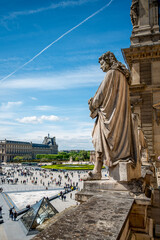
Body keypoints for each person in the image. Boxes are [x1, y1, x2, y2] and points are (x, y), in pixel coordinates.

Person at [83, 51, 138, 180]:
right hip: (119, 115)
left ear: (108, 62)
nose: (101, 67)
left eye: (102, 64)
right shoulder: (123, 77)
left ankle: (97, 170)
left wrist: (91, 103)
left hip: (108, 116)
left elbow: (99, 98)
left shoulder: (111, 74)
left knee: (98, 140)